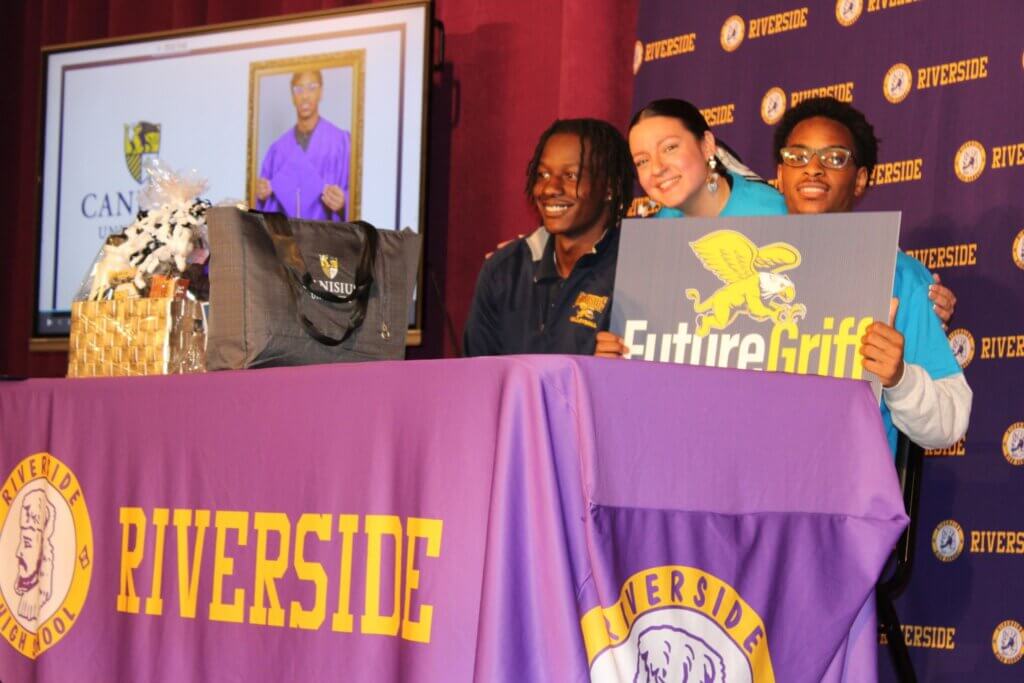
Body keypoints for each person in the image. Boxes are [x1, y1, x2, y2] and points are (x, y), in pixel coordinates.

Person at [772, 97, 970, 452]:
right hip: (743, 494)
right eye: (797, 157)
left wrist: (899, 378)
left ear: (860, 179)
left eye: (834, 158)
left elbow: (949, 422)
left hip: (845, 497)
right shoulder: (749, 265)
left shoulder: (900, 276)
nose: (812, 169)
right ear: (780, 176)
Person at [463, 119, 634, 356]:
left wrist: (608, 370)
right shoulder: (503, 271)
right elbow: (477, 378)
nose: (549, 188)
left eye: (570, 175)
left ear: (609, 188)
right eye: (543, 174)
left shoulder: (635, 272)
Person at [256, 69, 350, 221]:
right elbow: (261, 206)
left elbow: (357, 194)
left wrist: (344, 201)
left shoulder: (341, 142)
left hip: (326, 239)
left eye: (312, 87)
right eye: (298, 89)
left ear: (321, 92)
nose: (305, 96)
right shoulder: (277, 150)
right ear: (293, 97)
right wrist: (261, 194)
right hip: (286, 240)